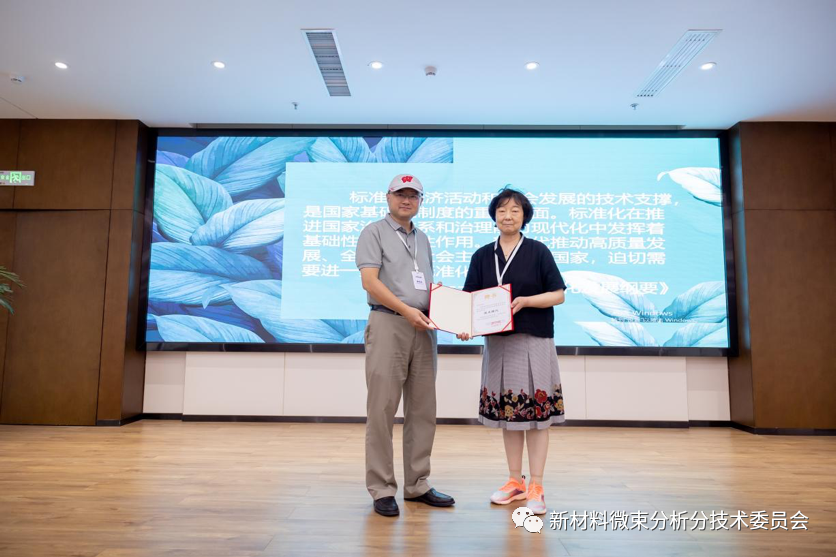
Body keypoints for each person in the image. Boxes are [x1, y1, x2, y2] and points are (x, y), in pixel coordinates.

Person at [457, 186, 566, 515]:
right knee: (510, 416)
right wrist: (464, 324)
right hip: (499, 343)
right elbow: (468, 300)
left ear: (524, 216)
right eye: (502, 210)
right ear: (494, 216)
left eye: (515, 210)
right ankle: (514, 481)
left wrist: (526, 301)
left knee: (537, 419)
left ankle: (537, 484)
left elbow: (558, 294)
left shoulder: (538, 251)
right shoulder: (482, 255)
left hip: (534, 340)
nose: (508, 216)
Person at [355, 174, 455, 517]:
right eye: (401, 194)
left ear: (421, 202)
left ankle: (417, 484)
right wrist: (407, 310)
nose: (406, 200)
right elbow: (370, 282)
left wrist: (452, 314)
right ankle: (382, 488)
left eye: (414, 195)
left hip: (424, 329)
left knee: (423, 409)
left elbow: (424, 286)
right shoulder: (373, 232)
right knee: (382, 409)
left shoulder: (422, 239)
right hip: (388, 324)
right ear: (388, 197)